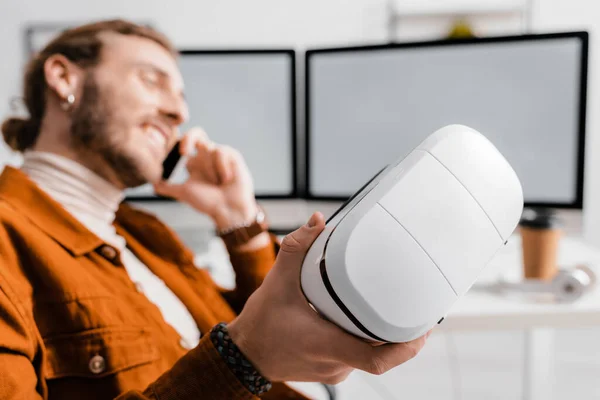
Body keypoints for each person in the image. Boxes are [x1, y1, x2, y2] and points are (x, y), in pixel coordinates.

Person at [0, 19, 430, 399]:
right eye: (152, 80)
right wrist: (241, 361)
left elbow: (263, 319)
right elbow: (249, 345)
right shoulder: (9, 241)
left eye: (181, 96)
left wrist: (235, 217)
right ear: (62, 77)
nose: (178, 111)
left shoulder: (144, 233)